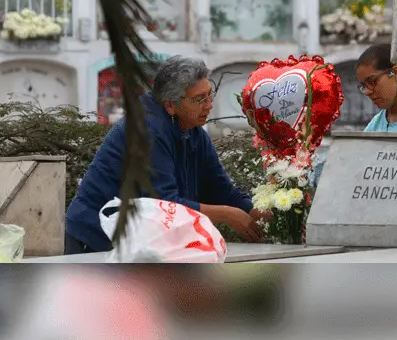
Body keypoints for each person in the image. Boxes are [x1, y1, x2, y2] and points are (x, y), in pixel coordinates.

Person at [65, 56, 263, 254]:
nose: (209, 105)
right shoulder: (148, 131)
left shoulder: (195, 133)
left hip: (135, 238)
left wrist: (257, 212)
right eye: (199, 99)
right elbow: (166, 205)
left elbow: (221, 189)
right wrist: (228, 215)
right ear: (170, 105)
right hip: (95, 236)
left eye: (210, 95)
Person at [309, 44, 397, 187]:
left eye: (372, 81)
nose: (367, 92)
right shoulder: (377, 123)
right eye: (363, 86)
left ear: (395, 73)